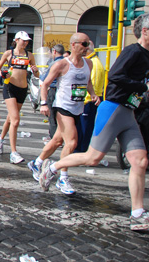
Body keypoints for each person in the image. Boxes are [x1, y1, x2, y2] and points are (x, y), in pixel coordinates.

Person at [39, 14, 149, 231]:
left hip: (129, 111)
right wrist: (141, 87)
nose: (87, 46)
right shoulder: (133, 51)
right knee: (92, 158)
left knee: (140, 161)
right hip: (114, 109)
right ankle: (53, 167)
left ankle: (137, 213)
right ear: (145, 31)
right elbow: (116, 76)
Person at [27, 33, 99, 195]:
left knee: (57, 140)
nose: (87, 47)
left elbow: (87, 82)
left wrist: (93, 94)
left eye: (88, 44)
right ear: (73, 45)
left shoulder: (89, 63)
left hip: (77, 108)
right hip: (62, 107)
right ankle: (62, 177)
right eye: (84, 44)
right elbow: (45, 84)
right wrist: (44, 104)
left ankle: (36, 163)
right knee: (71, 142)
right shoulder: (61, 65)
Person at [0, 31, 39, 164]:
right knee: (16, 120)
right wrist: (2, 74)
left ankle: (0, 139)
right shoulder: (9, 53)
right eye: (23, 40)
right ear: (16, 40)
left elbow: (36, 75)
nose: (25, 42)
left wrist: (35, 70)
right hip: (10, 88)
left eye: (27, 40)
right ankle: (14, 153)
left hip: (23, 89)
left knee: (11, 118)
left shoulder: (29, 55)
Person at [76, 41, 105, 153]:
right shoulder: (89, 62)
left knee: (85, 130)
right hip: (85, 102)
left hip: (88, 103)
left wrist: (85, 101)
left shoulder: (94, 64)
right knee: (82, 128)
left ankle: (81, 151)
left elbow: (94, 86)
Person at [40, 44, 66, 138]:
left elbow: (44, 78)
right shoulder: (66, 62)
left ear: (54, 51)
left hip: (53, 90)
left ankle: (54, 138)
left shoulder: (55, 63)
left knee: (52, 116)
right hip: (63, 91)